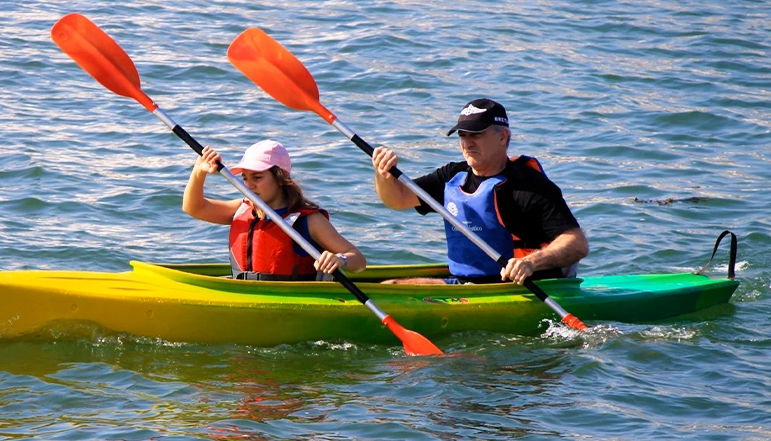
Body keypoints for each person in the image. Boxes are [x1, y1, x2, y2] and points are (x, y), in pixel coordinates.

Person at [370, 98, 588, 285]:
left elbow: (577, 243)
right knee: (390, 284)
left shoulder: (529, 187)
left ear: (502, 136)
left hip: (521, 285)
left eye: (476, 134)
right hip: (467, 283)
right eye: (462, 135)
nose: (467, 143)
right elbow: (397, 199)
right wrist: (383, 173)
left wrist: (531, 262)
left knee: (393, 285)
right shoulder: (452, 176)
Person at [183, 139, 366, 281]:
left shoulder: (309, 221)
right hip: (245, 293)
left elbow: (358, 261)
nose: (249, 185)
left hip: (291, 302)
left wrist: (341, 259)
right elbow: (193, 208)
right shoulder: (240, 209)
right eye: (245, 178)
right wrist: (199, 171)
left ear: (280, 177)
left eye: (257, 177)